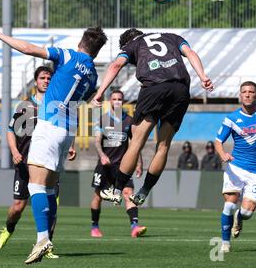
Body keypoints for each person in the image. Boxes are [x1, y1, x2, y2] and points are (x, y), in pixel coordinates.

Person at [0, 13, 107, 264]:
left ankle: (42, 239)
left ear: (81, 42)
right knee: (50, 189)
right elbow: (85, 99)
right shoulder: (93, 73)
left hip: (49, 126)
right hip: (68, 131)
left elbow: (30, 49)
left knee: (36, 186)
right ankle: (46, 239)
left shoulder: (68, 55)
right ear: (96, 51)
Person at [91, 28, 213, 206]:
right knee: (163, 146)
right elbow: (190, 53)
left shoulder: (132, 45)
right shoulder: (172, 37)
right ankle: (144, 191)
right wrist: (203, 76)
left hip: (154, 88)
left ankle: (116, 190)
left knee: (137, 142)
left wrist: (100, 92)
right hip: (181, 89)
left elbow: (116, 65)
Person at [0, 65, 59, 259]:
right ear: (36, 81)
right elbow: (10, 130)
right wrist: (14, 151)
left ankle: (46, 245)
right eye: (42, 78)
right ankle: (8, 228)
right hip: (25, 164)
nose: (46, 81)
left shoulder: (57, 105)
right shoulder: (25, 106)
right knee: (17, 206)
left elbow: (66, 128)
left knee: (50, 204)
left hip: (48, 163)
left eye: (49, 78)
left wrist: (70, 146)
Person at [214, 81, 256, 253]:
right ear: (240, 95)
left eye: (251, 92)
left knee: (246, 213)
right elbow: (217, 142)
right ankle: (225, 243)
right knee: (229, 205)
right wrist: (223, 154)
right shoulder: (231, 119)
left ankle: (240, 217)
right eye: (244, 91)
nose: (247, 94)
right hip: (235, 167)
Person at [90, 90, 146, 238]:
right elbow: (96, 140)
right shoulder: (102, 119)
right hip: (105, 165)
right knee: (98, 196)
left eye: (120, 99)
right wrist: (102, 155)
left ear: (123, 101)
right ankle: (94, 226)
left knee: (128, 194)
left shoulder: (130, 121)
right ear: (110, 101)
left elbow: (135, 145)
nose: (117, 101)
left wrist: (139, 163)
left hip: (123, 166)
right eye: (114, 99)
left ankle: (135, 226)